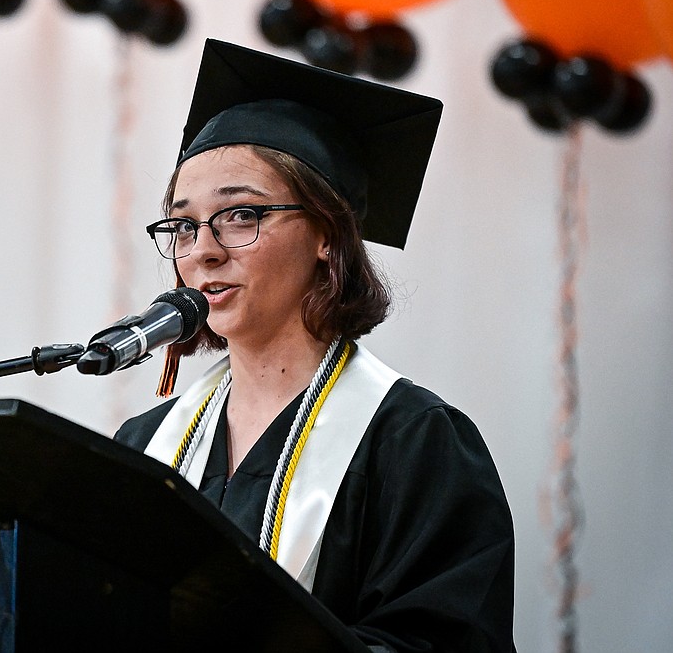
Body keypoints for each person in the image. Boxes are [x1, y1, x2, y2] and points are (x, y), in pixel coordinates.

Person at [116, 39, 516, 652]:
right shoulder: (144, 445)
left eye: (241, 215)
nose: (203, 250)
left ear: (327, 236)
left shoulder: (415, 442)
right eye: (184, 223)